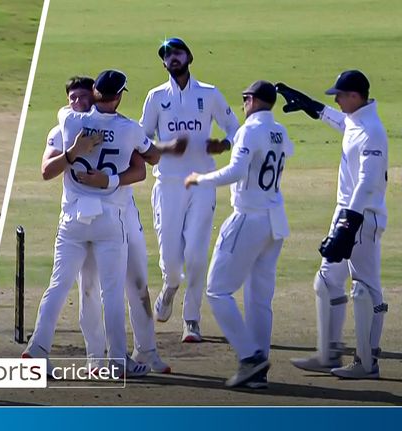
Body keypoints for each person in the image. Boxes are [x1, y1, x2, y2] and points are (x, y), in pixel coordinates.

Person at [23, 70, 159, 377]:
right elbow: (151, 157)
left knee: (58, 286)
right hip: (109, 219)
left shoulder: (70, 121)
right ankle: (118, 360)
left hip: (72, 219)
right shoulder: (129, 129)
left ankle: (37, 349)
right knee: (111, 291)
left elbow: (69, 115)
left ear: (95, 92)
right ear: (120, 96)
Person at [278, 70, 388, 379]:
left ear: (355, 96)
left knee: (365, 290)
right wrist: (312, 106)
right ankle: (328, 354)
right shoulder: (356, 120)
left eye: (339, 95)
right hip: (346, 215)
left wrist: (348, 224)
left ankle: (367, 363)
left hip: (362, 217)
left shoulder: (373, 132)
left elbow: (367, 183)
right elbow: (342, 124)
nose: (336, 100)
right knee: (326, 282)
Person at [186, 81, 293, 388]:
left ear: (251, 100)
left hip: (249, 217)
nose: (243, 103)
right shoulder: (280, 131)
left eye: (245, 98)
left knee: (217, 291)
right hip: (275, 220)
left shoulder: (249, 130)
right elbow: (288, 151)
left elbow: (235, 172)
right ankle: (258, 369)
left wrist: (199, 179)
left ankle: (249, 358)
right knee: (260, 297)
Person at [141, 38, 240, 342]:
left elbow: (237, 131)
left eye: (177, 52)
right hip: (168, 184)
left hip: (202, 182)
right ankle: (170, 287)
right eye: (167, 55)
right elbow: (140, 142)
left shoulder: (209, 94)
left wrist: (222, 145)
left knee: (196, 255)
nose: (172, 58)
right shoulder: (156, 97)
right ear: (164, 63)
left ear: (189, 57)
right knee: (172, 262)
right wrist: (168, 147)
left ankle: (192, 319)